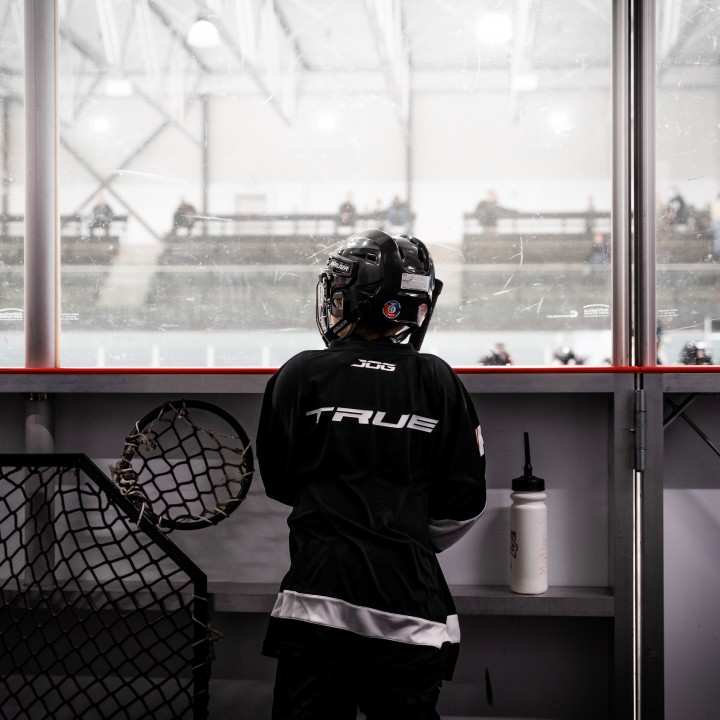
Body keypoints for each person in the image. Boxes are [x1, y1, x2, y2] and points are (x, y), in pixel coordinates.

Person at [256, 229, 487, 719]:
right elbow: (464, 500)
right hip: (410, 601)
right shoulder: (438, 380)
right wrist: (395, 533)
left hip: (317, 597)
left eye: (339, 292)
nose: (333, 302)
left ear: (357, 298)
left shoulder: (300, 374)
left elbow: (279, 481)